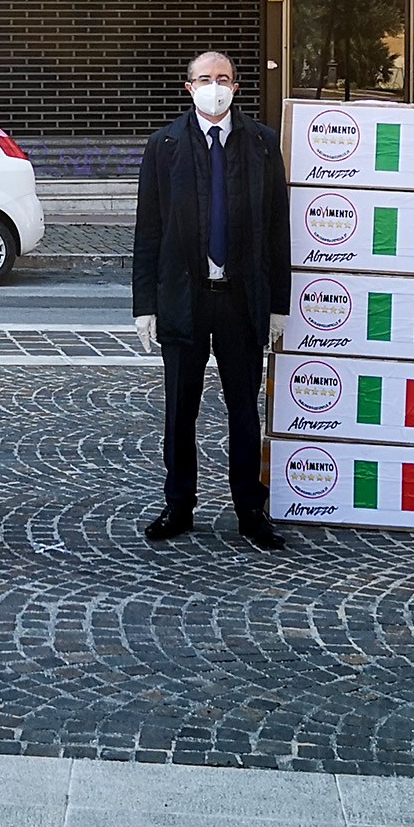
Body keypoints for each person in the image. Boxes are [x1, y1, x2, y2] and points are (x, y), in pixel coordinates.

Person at [132, 52, 289, 550]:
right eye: (205, 79)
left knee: (244, 410)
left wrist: (279, 304)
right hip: (185, 298)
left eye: (223, 78)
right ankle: (179, 505)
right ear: (189, 87)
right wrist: (144, 304)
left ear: (237, 87)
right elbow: (148, 229)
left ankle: (250, 510)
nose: (214, 86)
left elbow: (278, 229)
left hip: (242, 299)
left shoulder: (262, 143)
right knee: (180, 411)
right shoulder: (164, 145)